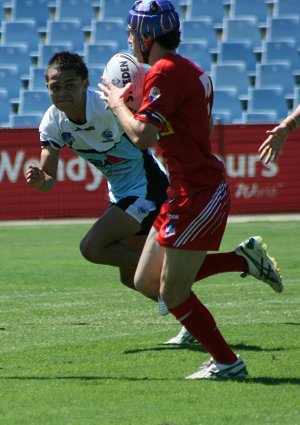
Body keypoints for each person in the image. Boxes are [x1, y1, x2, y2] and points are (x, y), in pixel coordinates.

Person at [100, 0, 283, 379]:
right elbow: (201, 125)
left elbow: (141, 137)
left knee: (173, 292)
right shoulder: (190, 70)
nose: (130, 40)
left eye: (133, 33)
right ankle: (242, 260)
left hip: (197, 194)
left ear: (147, 36)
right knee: (145, 279)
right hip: (183, 191)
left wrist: (119, 105)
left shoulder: (164, 73)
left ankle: (228, 363)